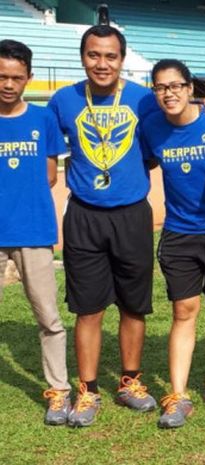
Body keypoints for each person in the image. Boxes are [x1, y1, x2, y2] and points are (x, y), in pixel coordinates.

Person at [47, 25, 205, 427]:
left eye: (111, 56)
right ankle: (88, 390)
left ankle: (130, 382)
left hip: (132, 213)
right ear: (83, 57)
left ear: (122, 60)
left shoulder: (146, 99)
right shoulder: (63, 100)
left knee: (134, 304)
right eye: (94, 55)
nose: (102, 63)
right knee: (88, 308)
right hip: (84, 214)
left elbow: (180, 110)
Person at [141, 59, 205, 428]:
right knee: (184, 311)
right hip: (179, 234)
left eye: (175, 86)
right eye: (160, 87)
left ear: (189, 89)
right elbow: (142, 163)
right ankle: (178, 394)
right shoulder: (151, 127)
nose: (168, 93)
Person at [0, 39, 72, 426]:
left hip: (34, 232)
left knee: (49, 318)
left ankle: (59, 392)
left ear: (28, 78)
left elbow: (48, 175)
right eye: (1, 77)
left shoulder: (43, 119)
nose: (8, 85)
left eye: (16, 77)